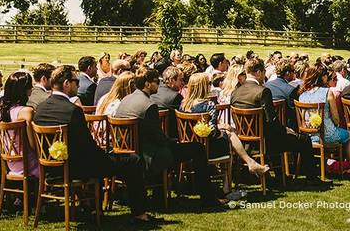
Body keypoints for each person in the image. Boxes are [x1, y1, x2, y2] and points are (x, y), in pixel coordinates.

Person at [33, 65, 152, 223]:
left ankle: (93, 206)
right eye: (76, 82)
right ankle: (139, 212)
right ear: (67, 83)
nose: (79, 85)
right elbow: (88, 147)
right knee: (133, 160)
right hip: (77, 168)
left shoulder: (40, 109)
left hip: (50, 168)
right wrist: (106, 156)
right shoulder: (72, 111)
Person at [115, 70, 227, 208]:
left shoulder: (126, 99)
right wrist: (173, 142)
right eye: (157, 81)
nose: (159, 84)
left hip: (127, 152)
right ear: (147, 84)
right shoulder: (149, 106)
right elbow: (158, 139)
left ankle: (162, 194)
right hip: (149, 156)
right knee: (198, 149)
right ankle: (208, 198)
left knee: (187, 148)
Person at [231, 58, 317, 182]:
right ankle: (312, 178)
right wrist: (286, 130)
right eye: (264, 72)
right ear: (259, 72)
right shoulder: (263, 91)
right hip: (265, 142)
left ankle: (280, 176)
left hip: (244, 141)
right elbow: (271, 121)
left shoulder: (235, 92)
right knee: (304, 139)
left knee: (278, 135)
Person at [180, 73, 269, 177]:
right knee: (229, 135)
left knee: (227, 132)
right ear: (204, 86)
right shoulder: (209, 105)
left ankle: (250, 163)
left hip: (188, 146)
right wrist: (222, 129)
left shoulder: (183, 105)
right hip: (208, 149)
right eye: (208, 83)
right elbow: (213, 133)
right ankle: (237, 175)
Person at [298, 66, 350, 179]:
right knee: (349, 135)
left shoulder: (302, 95)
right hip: (328, 135)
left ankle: (328, 166)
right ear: (321, 77)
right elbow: (336, 118)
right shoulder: (328, 92)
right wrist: (335, 123)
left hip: (308, 136)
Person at [0, 71, 40, 178]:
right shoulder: (26, 111)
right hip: (28, 163)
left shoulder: (0, 110)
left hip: (10, 161)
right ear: (25, 90)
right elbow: (33, 144)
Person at [264, 59, 299, 128]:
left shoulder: (266, 85)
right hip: (285, 130)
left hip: (267, 127)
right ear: (288, 73)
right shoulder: (290, 90)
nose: (294, 73)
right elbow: (294, 115)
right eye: (293, 71)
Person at [152, 66, 185, 138]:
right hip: (170, 137)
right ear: (172, 80)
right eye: (181, 80)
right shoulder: (176, 97)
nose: (183, 83)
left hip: (151, 135)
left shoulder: (153, 91)